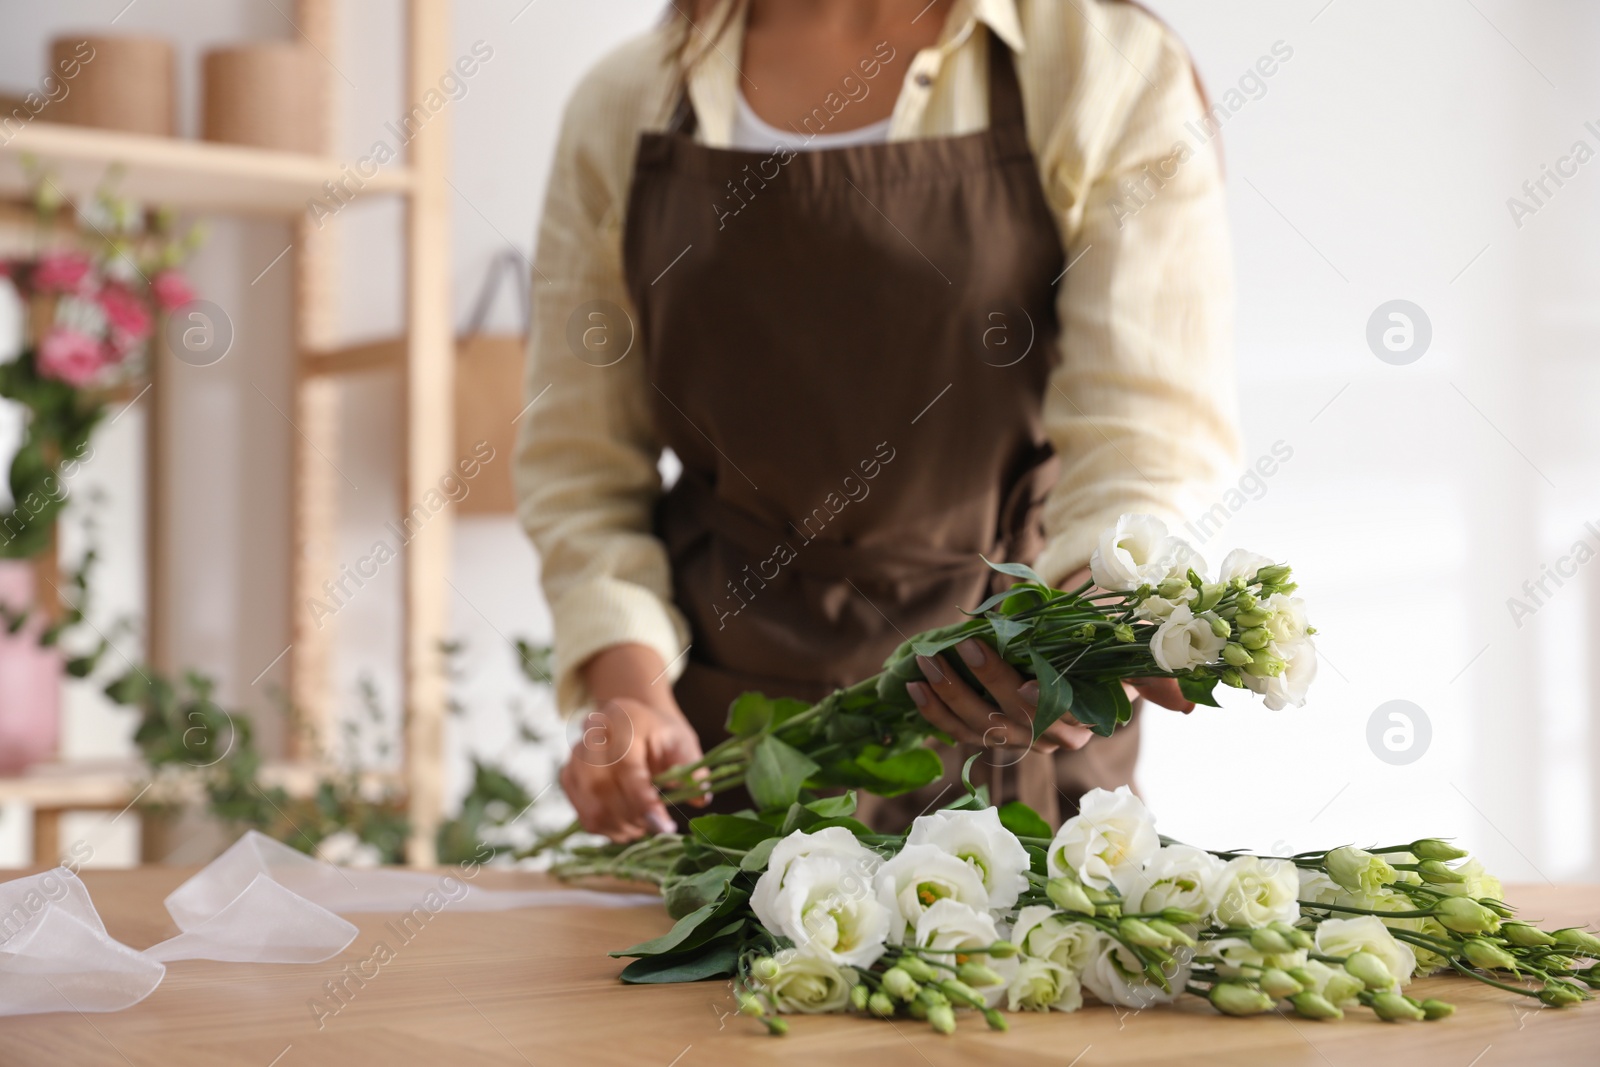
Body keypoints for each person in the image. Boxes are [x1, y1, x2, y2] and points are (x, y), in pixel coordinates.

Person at [515, 0, 1241, 842]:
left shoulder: (1103, 65)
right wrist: (631, 692)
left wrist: (1079, 634)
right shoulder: (626, 101)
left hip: (1009, 702)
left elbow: (1143, 434)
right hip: (730, 748)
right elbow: (581, 468)